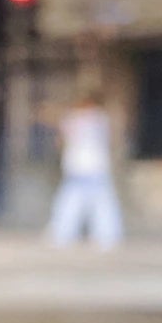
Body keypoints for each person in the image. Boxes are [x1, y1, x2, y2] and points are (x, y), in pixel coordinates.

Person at [46, 86, 124, 249]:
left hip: (84, 168)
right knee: (99, 206)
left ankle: (63, 235)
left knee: (74, 205)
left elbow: (59, 139)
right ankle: (107, 237)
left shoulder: (78, 118)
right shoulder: (100, 119)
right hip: (91, 168)